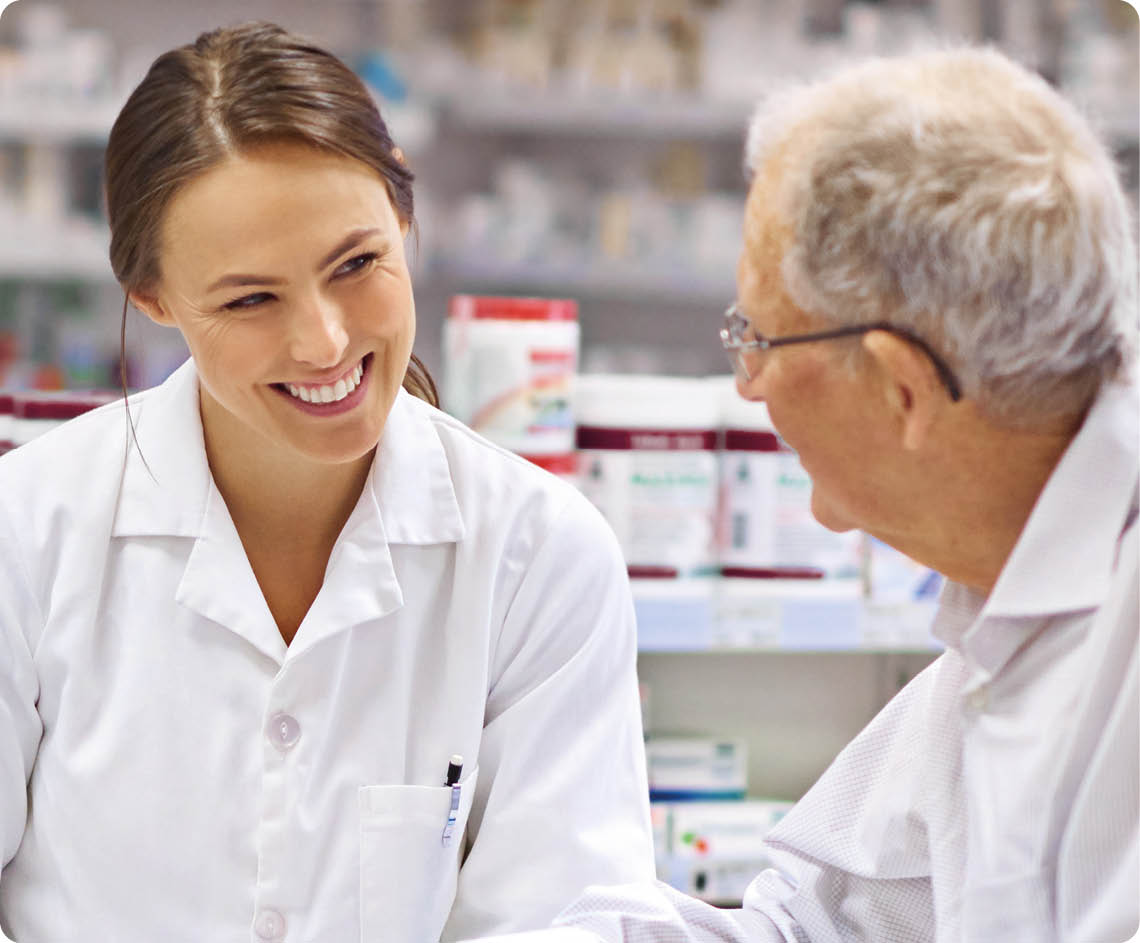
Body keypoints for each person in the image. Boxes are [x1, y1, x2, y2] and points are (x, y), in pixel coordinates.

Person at [464, 45, 1139, 943]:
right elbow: (817, 922)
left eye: (758, 338)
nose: (746, 386)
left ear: (901, 389)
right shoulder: (1004, 610)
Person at [0, 22, 655, 943]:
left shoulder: (538, 554)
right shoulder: (25, 533)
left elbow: (566, 914)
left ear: (404, 219)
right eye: (250, 299)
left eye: (357, 265)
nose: (326, 343)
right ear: (153, 296)